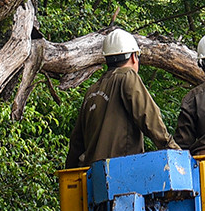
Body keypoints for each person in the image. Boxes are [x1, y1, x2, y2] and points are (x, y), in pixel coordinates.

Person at [65, 28, 180, 169]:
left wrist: (69, 171)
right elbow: (149, 118)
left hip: (93, 173)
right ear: (133, 57)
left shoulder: (92, 90)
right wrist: (174, 151)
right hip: (121, 170)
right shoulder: (127, 76)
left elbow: (76, 142)